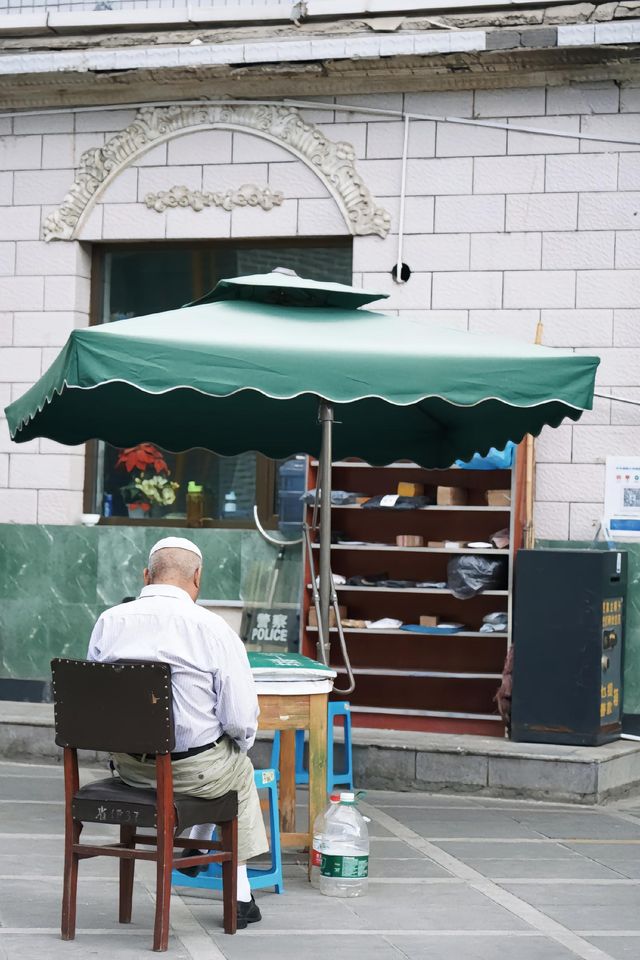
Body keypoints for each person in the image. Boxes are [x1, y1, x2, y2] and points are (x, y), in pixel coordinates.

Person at [87, 535, 268, 928]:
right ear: (197, 578)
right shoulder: (213, 629)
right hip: (191, 772)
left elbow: (96, 700)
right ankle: (231, 888)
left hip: (131, 771)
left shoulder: (109, 621)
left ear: (146, 575)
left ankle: (198, 856)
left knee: (221, 761)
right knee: (237, 764)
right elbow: (241, 718)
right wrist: (239, 744)